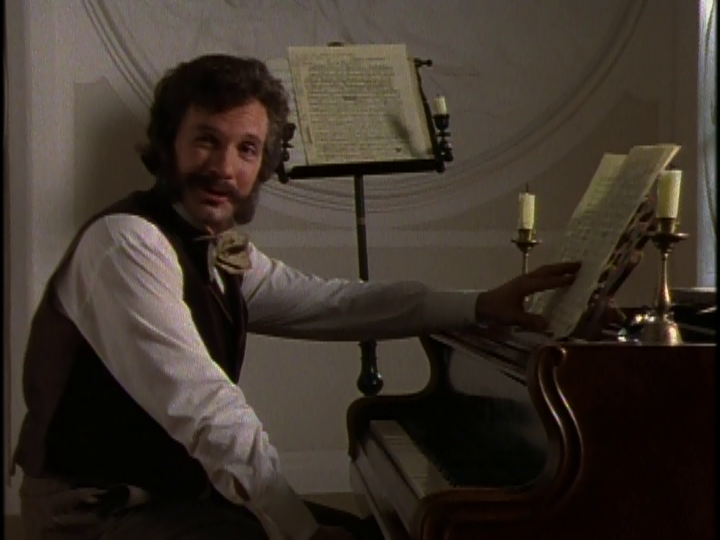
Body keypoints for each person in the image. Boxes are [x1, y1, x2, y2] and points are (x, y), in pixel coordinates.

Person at [12, 54, 581, 540]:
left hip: (172, 495)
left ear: (263, 163)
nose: (224, 168)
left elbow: (334, 304)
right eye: (207, 140)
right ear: (169, 144)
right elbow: (210, 412)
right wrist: (302, 534)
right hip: (91, 514)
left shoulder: (213, 246)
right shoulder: (128, 245)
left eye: (247, 149)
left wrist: (478, 304)